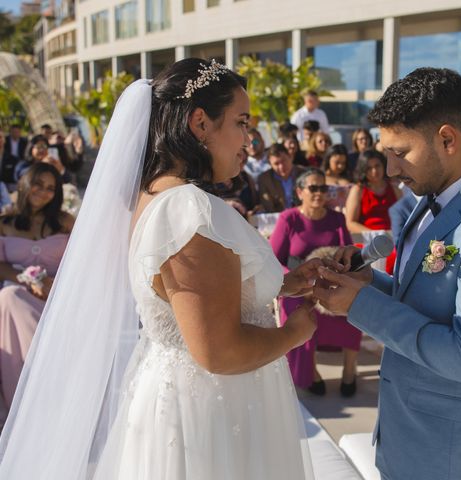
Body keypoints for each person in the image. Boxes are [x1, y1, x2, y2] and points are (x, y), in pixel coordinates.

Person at [0, 59, 320, 479]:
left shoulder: (155, 197)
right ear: (200, 123)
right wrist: (296, 332)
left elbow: (205, 294)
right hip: (211, 413)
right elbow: (216, 351)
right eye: (241, 122)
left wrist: (287, 283)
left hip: (198, 400)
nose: (249, 138)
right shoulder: (187, 208)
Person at [313, 67, 461, 480]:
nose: (391, 168)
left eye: (400, 152)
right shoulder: (431, 195)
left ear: (448, 139)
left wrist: (360, 306)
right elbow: (421, 298)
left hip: (452, 458)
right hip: (405, 439)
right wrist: (369, 282)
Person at [270, 169, 359, 397]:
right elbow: (273, 259)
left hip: (330, 282)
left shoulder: (337, 218)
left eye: (323, 188)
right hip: (297, 286)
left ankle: (350, 369)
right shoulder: (288, 219)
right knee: (296, 310)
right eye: (313, 188)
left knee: (353, 308)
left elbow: (348, 255)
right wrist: (298, 282)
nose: (319, 193)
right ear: (300, 191)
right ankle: (311, 373)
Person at [0, 163, 73, 421]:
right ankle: (24, 404)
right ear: (25, 183)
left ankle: (49, 387)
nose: (43, 192)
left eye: (50, 188)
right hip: (16, 296)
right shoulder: (5, 222)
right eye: (38, 184)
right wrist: (25, 279)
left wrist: (55, 282)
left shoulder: (64, 222)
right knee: (9, 298)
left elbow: (84, 260)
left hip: (59, 298)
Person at [345, 149, 402, 233]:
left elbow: (404, 218)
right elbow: (350, 223)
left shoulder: (395, 189)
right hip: (367, 241)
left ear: (383, 165)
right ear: (363, 170)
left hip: (393, 238)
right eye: (369, 168)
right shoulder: (358, 190)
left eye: (377, 166)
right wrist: (375, 236)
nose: (374, 171)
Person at [257, 143, 306, 213]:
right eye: (276, 164)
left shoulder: (304, 174)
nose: (281, 166)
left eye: (284, 161)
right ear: (270, 164)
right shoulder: (264, 179)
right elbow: (268, 206)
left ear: (290, 157)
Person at [322, 144, 352, 211]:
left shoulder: (350, 176)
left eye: (343, 163)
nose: (340, 166)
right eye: (337, 162)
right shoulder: (321, 178)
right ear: (328, 160)